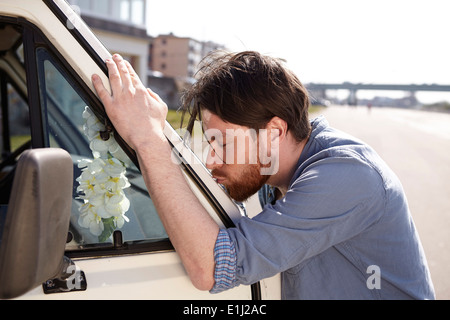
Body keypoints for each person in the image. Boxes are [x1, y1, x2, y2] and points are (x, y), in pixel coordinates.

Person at [92, 51, 435, 299]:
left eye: (223, 143)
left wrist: (149, 139)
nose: (211, 159)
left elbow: (213, 267)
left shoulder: (348, 176)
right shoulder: (276, 172)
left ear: (272, 132)